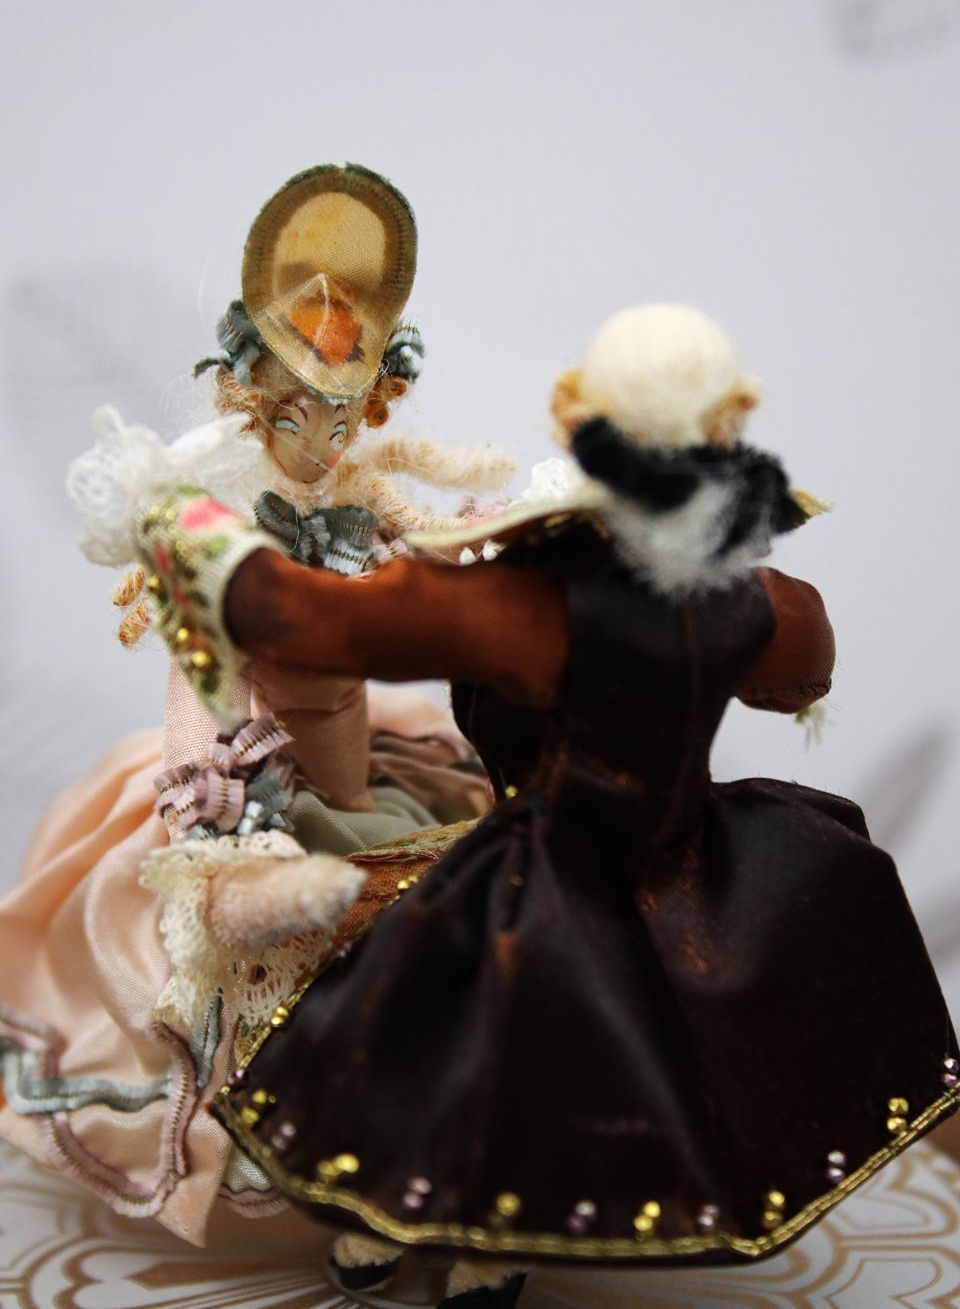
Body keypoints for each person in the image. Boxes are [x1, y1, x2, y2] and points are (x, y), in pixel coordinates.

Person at [136, 303, 959, 1308]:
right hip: (690, 864)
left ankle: (455, 1244)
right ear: (733, 419)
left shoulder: (536, 606)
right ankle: (428, 1235)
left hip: (551, 874)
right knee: (606, 1062)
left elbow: (312, 625)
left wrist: (176, 525)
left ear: (572, 414)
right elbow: (800, 677)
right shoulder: (754, 597)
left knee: (455, 1041)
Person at [0, 164, 511, 1247]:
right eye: (299, 414)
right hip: (263, 751)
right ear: (250, 398)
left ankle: (406, 1139)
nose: (324, 438)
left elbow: (428, 547)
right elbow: (200, 663)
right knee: (259, 931)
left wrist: (489, 539)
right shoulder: (227, 516)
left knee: (415, 866)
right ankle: (305, 1145)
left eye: (344, 415)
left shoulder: (356, 491)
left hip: (355, 741)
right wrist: (201, 773)